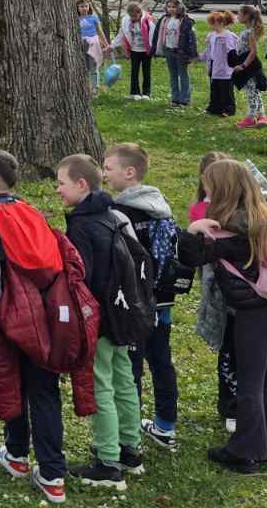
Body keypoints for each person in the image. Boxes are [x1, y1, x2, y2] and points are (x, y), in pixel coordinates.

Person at [0, 150, 78, 506]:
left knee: (11, 382)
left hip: (10, 316)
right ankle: (52, 474)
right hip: (46, 313)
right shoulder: (30, 211)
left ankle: (17, 453)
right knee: (44, 391)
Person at [179, 159, 267, 474]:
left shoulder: (230, 229)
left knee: (249, 384)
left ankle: (246, 451)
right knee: (266, 379)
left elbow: (192, 256)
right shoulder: (264, 217)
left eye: (209, 187)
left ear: (223, 189)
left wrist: (192, 231)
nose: (206, 192)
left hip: (251, 313)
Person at [57, 154, 142, 490]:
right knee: (124, 379)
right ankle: (130, 448)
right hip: (122, 313)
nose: (58, 190)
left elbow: (83, 277)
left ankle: (108, 462)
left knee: (101, 384)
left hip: (100, 318)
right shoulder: (112, 215)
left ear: (81, 185)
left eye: (62, 183)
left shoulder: (81, 224)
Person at [102, 143, 181, 450]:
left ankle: (129, 432)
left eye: (108, 168)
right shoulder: (161, 205)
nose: (104, 174)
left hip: (133, 304)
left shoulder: (118, 213)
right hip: (163, 300)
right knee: (161, 362)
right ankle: (165, 426)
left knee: (130, 369)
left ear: (129, 172)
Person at [189, 151, 237, 430]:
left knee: (238, 350)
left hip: (242, 295)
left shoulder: (247, 214)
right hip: (219, 286)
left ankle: (236, 407)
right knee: (228, 346)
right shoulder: (201, 210)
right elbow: (196, 253)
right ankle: (229, 405)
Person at [231, 5, 267, 128]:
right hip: (248, 65)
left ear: (246, 16)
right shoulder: (247, 30)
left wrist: (243, 66)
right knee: (254, 91)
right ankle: (262, 116)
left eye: (239, 14)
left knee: (251, 93)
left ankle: (251, 118)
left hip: (249, 67)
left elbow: (253, 52)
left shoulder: (250, 32)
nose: (237, 16)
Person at [158, 0, 199, 108]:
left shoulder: (185, 21)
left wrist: (193, 54)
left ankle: (185, 99)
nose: (171, 9)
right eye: (169, 7)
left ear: (179, 7)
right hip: (168, 50)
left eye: (174, 7)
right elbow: (160, 33)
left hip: (181, 52)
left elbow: (191, 38)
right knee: (173, 75)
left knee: (183, 74)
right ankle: (175, 98)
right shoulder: (165, 19)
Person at [110, 2, 156, 101]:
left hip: (146, 51)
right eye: (131, 16)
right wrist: (112, 45)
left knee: (146, 71)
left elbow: (154, 35)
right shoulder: (127, 22)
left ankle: (146, 93)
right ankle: (135, 92)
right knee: (134, 72)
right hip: (135, 50)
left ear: (140, 13)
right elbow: (121, 34)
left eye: (135, 16)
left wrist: (154, 49)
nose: (133, 18)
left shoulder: (148, 21)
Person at [203, 12, 237, 117]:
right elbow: (209, 50)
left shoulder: (228, 35)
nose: (211, 25)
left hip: (225, 66)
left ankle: (228, 109)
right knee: (215, 87)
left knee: (225, 89)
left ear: (221, 23)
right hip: (214, 64)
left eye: (213, 23)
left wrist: (232, 65)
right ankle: (214, 107)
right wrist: (201, 57)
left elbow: (232, 51)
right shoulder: (212, 35)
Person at [75, 0, 109, 94]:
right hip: (81, 45)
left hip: (93, 45)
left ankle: (95, 88)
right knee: (83, 67)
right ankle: (85, 88)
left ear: (89, 6)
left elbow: (100, 31)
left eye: (86, 6)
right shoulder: (75, 19)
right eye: (81, 6)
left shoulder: (93, 18)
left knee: (93, 67)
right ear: (77, 8)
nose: (84, 8)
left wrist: (106, 44)